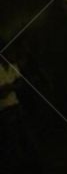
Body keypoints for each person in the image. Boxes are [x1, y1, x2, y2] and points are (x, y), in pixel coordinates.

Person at [0, 41, 36, 169]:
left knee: (26, 134)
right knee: (13, 141)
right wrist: (11, 87)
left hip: (16, 105)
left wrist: (10, 87)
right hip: (4, 111)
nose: (12, 55)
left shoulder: (13, 66)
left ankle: (31, 163)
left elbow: (21, 84)